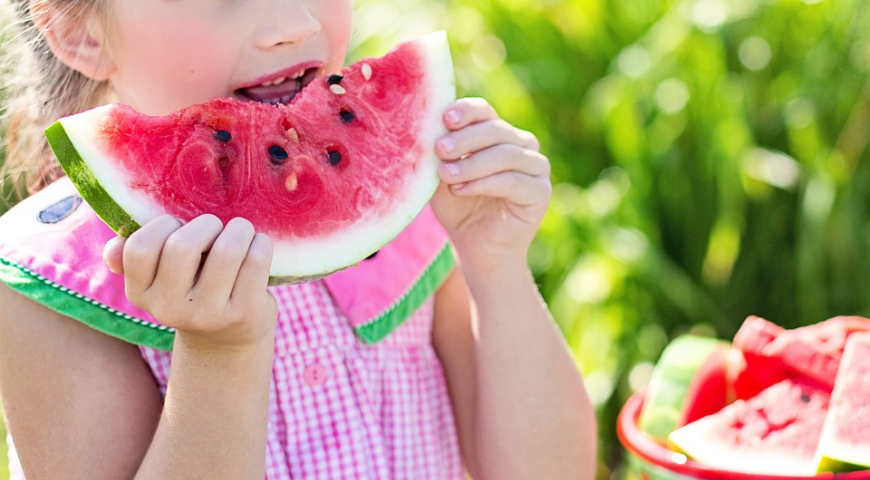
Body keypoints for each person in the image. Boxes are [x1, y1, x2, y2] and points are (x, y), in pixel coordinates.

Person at [0, 0, 597, 479]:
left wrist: (497, 266)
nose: (294, 25)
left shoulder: (410, 207)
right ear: (79, 32)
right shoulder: (50, 289)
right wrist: (218, 357)